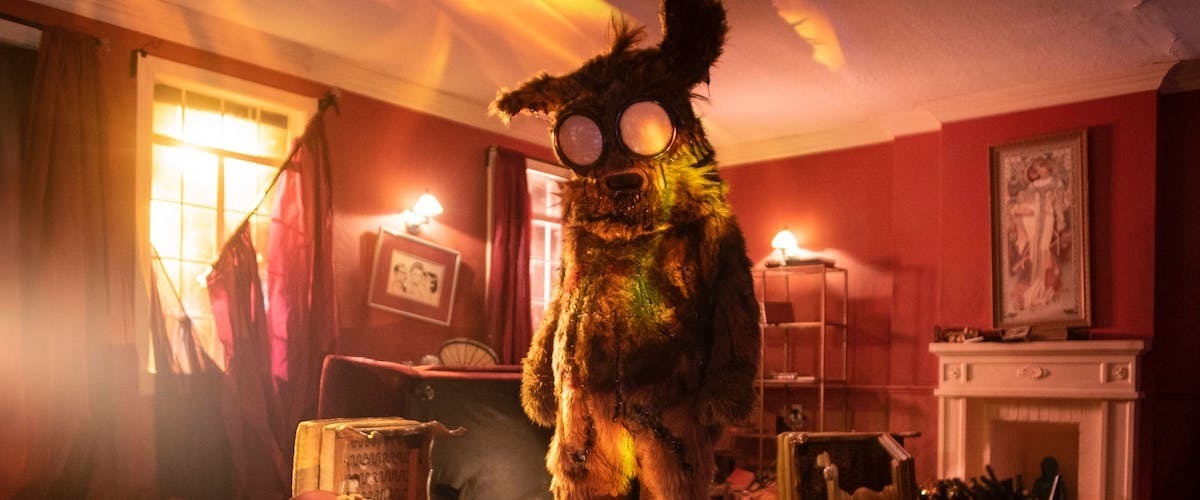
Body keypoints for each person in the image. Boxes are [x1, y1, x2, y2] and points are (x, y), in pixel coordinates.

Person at [1007, 154, 1070, 312]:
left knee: (1044, 249)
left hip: (1048, 217)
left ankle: (1042, 287)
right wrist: (1018, 207)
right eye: (1036, 168)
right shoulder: (1033, 185)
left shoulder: (1056, 183)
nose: (1038, 171)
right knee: (1035, 251)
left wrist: (1060, 220)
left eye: (1040, 167)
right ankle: (1035, 288)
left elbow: (1059, 203)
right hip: (1034, 219)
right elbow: (1026, 201)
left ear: (1047, 167)